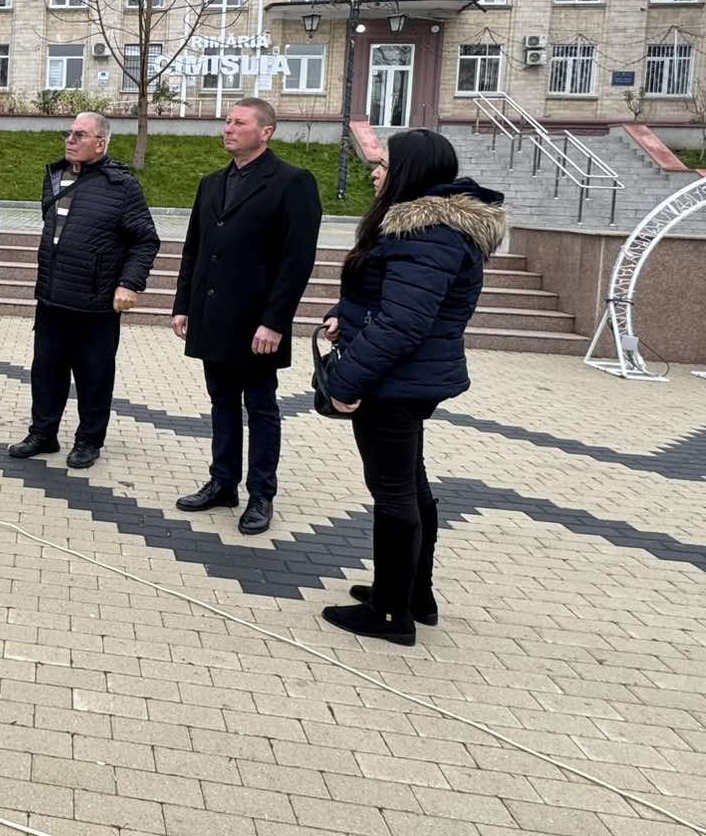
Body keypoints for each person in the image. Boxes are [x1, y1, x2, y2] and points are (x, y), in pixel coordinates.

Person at [318, 129, 504, 645]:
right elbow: (388, 300)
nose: (375, 171)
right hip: (408, 377)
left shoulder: (423, 232)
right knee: (410, 484)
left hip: (394, 382)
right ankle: (412, 594)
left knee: (394, 492)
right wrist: (342, 315)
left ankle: (389, 613)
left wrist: (345, 380)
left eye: (384, 163)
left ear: (410, 171)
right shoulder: (435, 228)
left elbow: (402, 323)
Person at [173, 99, 322, 536]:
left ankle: (261, 493)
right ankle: (223, 482)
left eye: (239, 122)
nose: (228, 128)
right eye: (227, 121)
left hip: (258, 323)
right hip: (213, 316)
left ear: (266, 132)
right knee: (221, 402)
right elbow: (194, 249)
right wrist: (183, 305)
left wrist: (275, 322)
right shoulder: (212, 183)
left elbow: (297, 261)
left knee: (260, 407)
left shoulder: (293, 182)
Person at [8, 112, 160, 469]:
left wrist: (129, 283)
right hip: (52, 297)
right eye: (69, 133)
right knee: (46, 370)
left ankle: (89, 441)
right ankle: (43, 433)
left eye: (80, 135)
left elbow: (146, 240)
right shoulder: (54, 176)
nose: (70, 140)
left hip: (96, 303)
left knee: (94, 375)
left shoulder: (122, 186)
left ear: (100, 143)